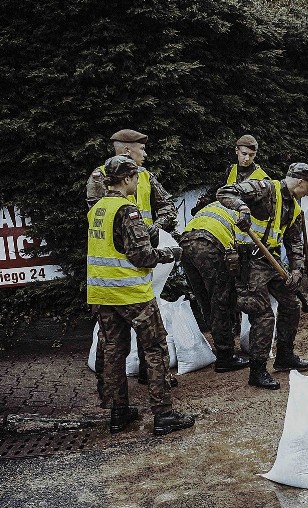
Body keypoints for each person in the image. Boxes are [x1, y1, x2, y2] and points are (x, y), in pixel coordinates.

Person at [87, 155, 194, 436]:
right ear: (126, 179)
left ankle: (118, 413)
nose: (138, 181)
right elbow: (141, 256)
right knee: (155, 348)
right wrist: (170, 253)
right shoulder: (127, 210)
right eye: (135, 177)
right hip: (131, 293)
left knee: (113, 350)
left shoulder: (97, 208)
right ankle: (163, 415)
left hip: (102, 294)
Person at [86, 129, 178, 394]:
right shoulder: (99, 178)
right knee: (152, 339)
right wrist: (161, 250)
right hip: (130, 270)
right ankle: (161, 406)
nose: (146, 153)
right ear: (127, 151)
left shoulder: (146, 176)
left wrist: (155, 229)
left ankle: (118, 405)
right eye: (141, 148)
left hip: (118, 275)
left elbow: (167, 206)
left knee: (116, 343)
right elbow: (102, 225)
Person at [217, 163, 308, 389]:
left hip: (269, 260)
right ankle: (258, 370)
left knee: (291, 304)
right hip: (247, 261)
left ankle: (284, 356)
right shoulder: (263, 189)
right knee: (263, 314)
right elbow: (225, 192)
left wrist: (296, 270)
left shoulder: (293, 208)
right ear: (301, 182)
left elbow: (294, 243)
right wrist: (242, 209)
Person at [180, 200, 252, 374]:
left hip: (185, 243)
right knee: (221, 301)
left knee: (205, 299)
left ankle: (220, 345)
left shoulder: (215, 206)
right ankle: (226, 357)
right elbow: (245, 251)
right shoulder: (246, 214)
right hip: (209, 245)